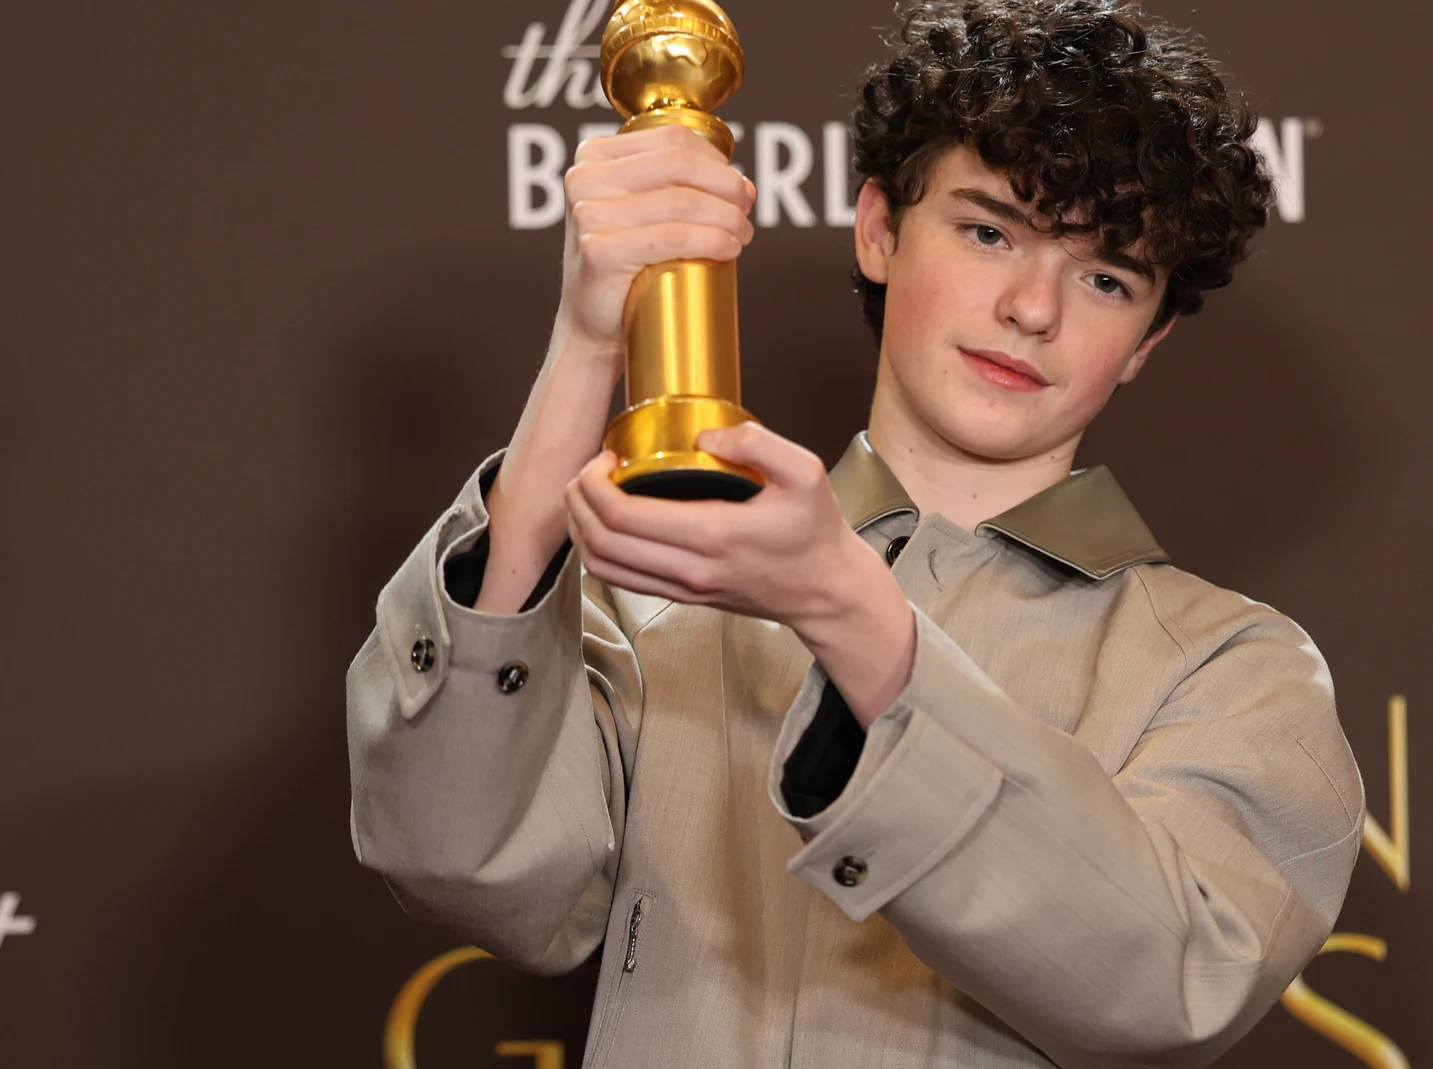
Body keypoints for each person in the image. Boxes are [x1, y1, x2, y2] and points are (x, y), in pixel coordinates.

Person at [345, 0, 1364, 1065]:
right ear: (879, 230)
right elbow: (460, 862)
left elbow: (1168, 986)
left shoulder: (1232, 670)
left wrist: (843, 603)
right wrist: (588, 337)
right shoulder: (657, 600)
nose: (1033, 308)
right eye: (988, 231)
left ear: (1146, 340)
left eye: (1104, 275)